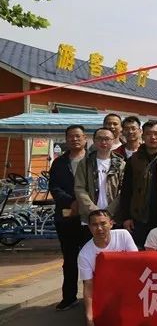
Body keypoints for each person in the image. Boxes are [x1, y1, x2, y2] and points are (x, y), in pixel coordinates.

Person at [117, 120, 157, 248]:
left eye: (156, 133)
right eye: (149, 134)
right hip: (139, 218)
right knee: (140, 252)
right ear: (142, 136)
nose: (153, 137)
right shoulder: (134, 160)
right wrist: (126, 217)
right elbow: (126, 190)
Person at [79, 210, 138, 326]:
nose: (99, 228)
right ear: (89, 227)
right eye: (95, 225)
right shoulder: (84, 254)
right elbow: (88, 285)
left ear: (111, 223)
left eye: (103, 223)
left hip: (127, 286)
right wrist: (89, 314)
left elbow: (136, 265)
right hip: (104, 292)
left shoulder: (124, 235)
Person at [51, 124, 89, 311]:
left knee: (93, 258)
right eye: (71, 136)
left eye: (78, 136)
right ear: (66, 140)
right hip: (67, 217)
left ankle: (94, 296)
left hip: (89, 217)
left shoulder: (93, 160)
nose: (74, 139)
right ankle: (69, 297)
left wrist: (84, 203)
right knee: (70, 259)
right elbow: (54, 187)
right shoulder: (59, 163)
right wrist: (71, 202)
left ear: (85, 139)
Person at [74, 127, 126, 223]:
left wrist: (109, 211)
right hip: (89, 217)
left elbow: (124, 190)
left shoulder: (120, 164)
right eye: (99, 139)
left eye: (107, 139)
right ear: (94, 140)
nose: (103, 142)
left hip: (113, 217)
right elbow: (79, 188)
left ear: (113, 140)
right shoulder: (85, 163)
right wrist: (93, 210)